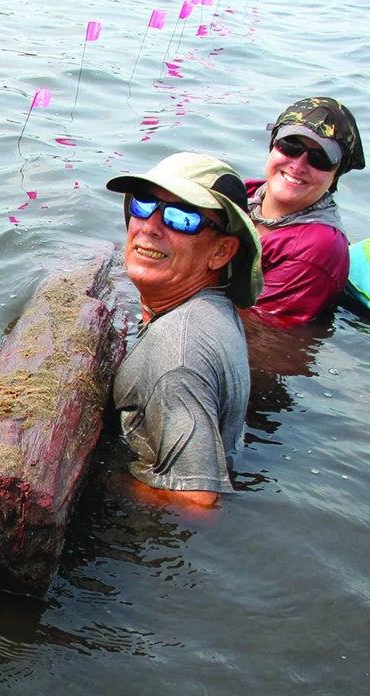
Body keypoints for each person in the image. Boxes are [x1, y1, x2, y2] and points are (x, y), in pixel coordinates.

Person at [104, 152, 264, 512]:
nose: (150, 226)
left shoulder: (177, 356)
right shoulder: (211, 308)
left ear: (222, 251)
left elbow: (196, 501)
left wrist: (104, 484)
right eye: (143, 205)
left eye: (183, 218)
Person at [246, 96, 366, 326]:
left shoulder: (315, 251)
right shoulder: (242, 194)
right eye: (290, 146)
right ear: (273, 145)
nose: (298, 166)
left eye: (319, 158)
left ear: (335, 174)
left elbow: (257, 331)